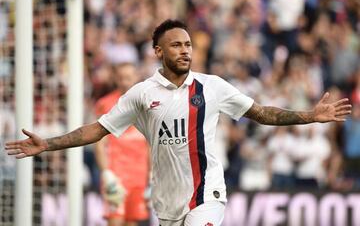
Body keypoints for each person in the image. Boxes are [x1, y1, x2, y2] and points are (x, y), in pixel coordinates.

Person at [5, 19, 352, 226]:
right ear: (158, 51)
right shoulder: (141, 94)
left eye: (188, 44)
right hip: (167, 202)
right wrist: (49, 143)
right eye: (176, 45)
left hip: (207, 194)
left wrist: (311, 115)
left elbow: (260, 112)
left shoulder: (212, 87)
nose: (185, 50)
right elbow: (97, 129)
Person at [93, 62, 149, 226]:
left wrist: (152, 174)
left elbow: (150, 143)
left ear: (136, 78)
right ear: (116, 79)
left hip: (138, 176)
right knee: (115, 221)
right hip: (116, 175)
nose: (125, 81)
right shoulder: (106, 104)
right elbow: (99, 144)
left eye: (128, 77)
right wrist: (106, 173)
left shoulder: (147, 104)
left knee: (132, 223)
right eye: (121, 78)